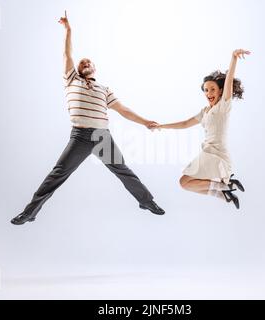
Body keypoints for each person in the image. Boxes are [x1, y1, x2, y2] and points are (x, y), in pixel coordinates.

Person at [11, 11, 165, 225]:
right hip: (80, 136)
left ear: (94, 69)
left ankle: (146, 201)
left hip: (103, 136)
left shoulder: (104, 89)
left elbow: (123, 109)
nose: (85, 63)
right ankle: (30, 212)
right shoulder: (71, 79)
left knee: (123, 170)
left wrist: (146, 121)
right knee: (58, 174)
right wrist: (68, 30)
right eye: (82, 62)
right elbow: (67, 55)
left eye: (88, 62)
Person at [152, 49, 250, 209]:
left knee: (185, 182)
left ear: (220, 91)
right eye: (206, 90)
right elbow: (185, 124)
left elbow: (229, 81)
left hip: (216, 154)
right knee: (185, 184)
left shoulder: (223, 107)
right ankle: (224, 193)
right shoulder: (205, 112)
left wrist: (233, 58)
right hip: (207, 152)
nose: (209, 93)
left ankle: (225, 186)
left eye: (212, 89)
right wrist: (161, 126)